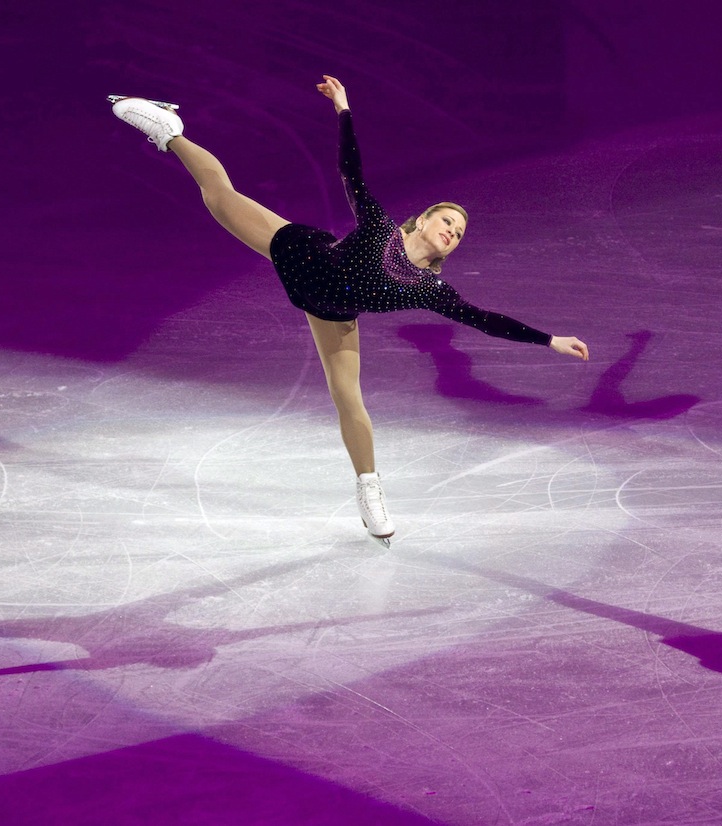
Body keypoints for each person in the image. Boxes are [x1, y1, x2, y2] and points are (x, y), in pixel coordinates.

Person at [110, 75, 589, 546]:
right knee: (219, 196)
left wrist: (550, 340)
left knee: (348, 397)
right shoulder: (380, 226)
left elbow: (485, 319)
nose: (451, 231)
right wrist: (343, 109)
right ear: (423, 219)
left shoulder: (427, 288)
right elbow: (351, 171)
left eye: (458, 233)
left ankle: (369, 490)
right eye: (446, 220)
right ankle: (170, 130)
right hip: (300, 254)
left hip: (331, 312)